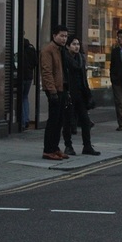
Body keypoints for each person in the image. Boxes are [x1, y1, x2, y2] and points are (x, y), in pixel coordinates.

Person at [62, 35, 100, 156]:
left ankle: (87, 146)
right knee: (68, 121)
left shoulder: (80, 58)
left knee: (85, 120)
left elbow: (84, 78)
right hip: (68, 93)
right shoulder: (64, 59)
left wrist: (88, 94)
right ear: (67, 46)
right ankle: (68, 146)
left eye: (78, 44)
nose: (76, 46)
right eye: (73, 44)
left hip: (80, 93)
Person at [40, 24, 70, 161]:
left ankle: (55, 147)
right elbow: (47, 72)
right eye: (61, 36)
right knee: (53, 121)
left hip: (62, 88)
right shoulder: (48, 50)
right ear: (54, 36)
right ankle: (48, 150)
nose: (64, 39)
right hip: (54, 90)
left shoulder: (62, 50)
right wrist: (52, 92)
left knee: (59, 121)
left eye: (66, 36)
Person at [19, 36, 38, 129]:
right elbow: (36, 62)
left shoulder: (18, 46)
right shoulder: (31, 48)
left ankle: (22, 121)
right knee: (25, 97)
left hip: (20, 76)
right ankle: (26, 119)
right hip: (29, 76)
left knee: (20, 97)